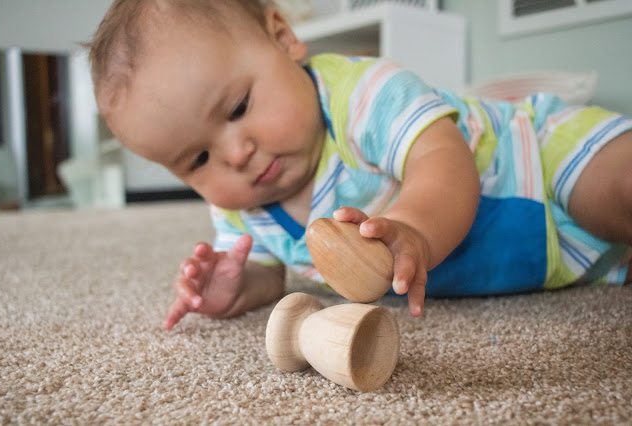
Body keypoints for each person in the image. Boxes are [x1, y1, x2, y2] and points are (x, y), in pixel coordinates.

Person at [86, 0, 632, 330]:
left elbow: (443, 160)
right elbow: (271, 275)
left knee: (619, 191)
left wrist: (414, 228)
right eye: (197, 159)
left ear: (283, 38)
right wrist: (239, 286)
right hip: (548, 255)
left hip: (541, 156)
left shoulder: (362, 95)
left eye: (237, 108)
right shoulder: (241, 210)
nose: (234, 155)